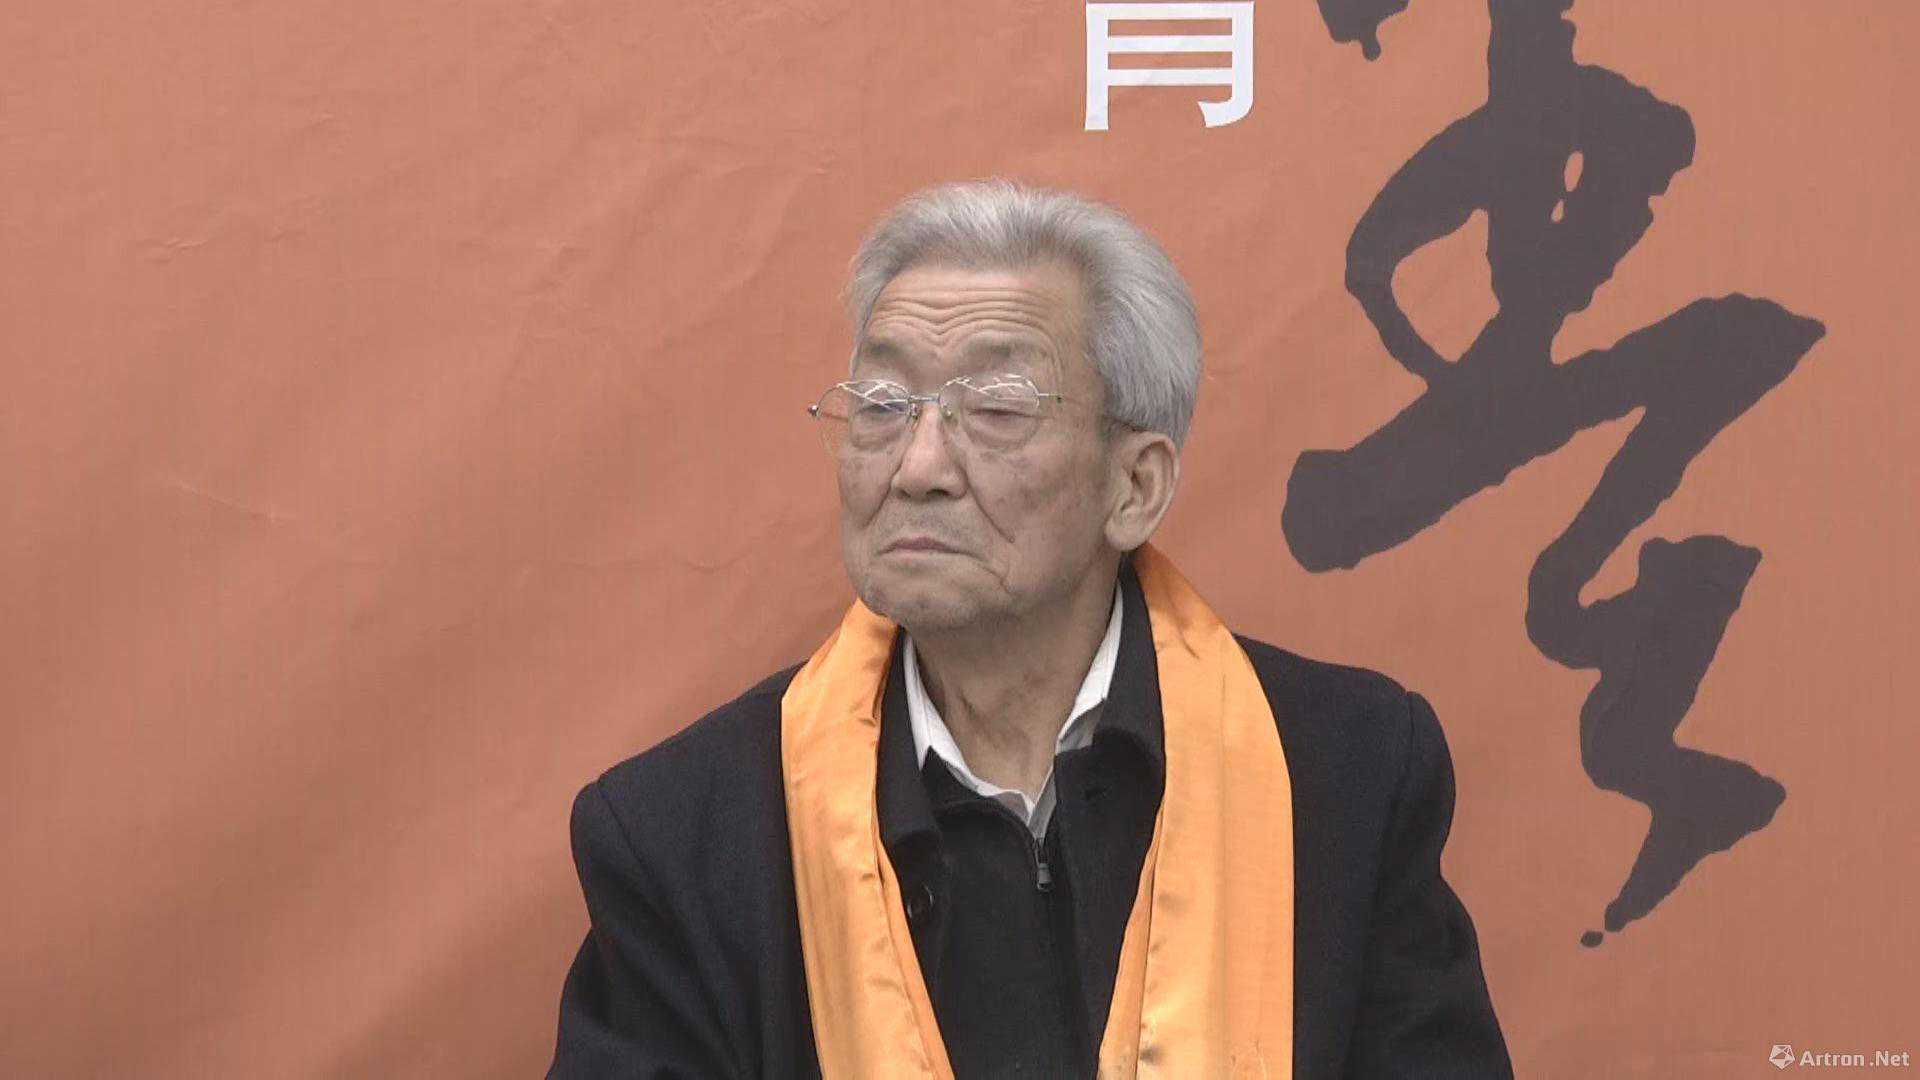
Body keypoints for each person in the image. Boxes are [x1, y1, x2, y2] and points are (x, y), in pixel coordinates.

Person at [550, 179, 1513, 1078]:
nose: (918, 466)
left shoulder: (1346, 773)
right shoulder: (686, 833)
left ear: (1134, 487)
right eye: (883, 406)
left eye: (995, 409)